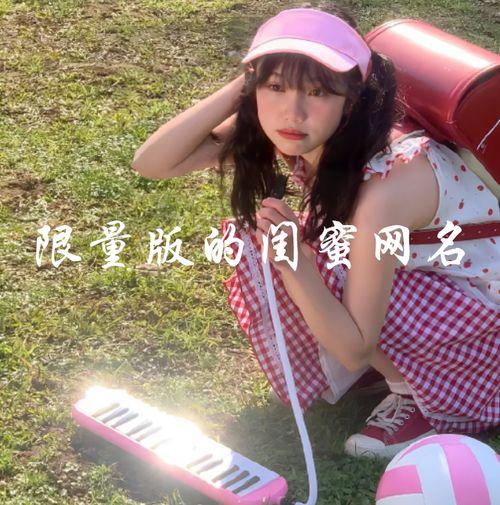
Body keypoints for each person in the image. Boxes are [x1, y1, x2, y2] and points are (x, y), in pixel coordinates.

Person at [132, 5, 499, 458]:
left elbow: (354, 348)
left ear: (352, 100)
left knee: (316, 255)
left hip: (485, 331)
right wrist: (246, 85)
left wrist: (295, 265)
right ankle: (399, 368)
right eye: (276, 86)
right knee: (301, 244)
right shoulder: (307, 129)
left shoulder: (384, 186)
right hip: (436, 288)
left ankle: (422, 398)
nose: (293, 112)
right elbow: (152, 163)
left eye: (318, 92)